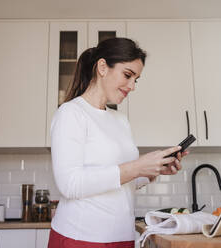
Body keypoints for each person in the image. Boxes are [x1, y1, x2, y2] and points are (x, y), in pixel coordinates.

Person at [48, 37, 188, 248]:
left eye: (136, 79)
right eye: (127, 75)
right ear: (102, 67)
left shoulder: (121, 121)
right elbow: (70, 184)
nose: (132, 86)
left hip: (122, 237)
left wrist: (151, 171)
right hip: (81, 239)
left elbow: (122, 180)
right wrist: (137, 167)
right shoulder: (71, 113)